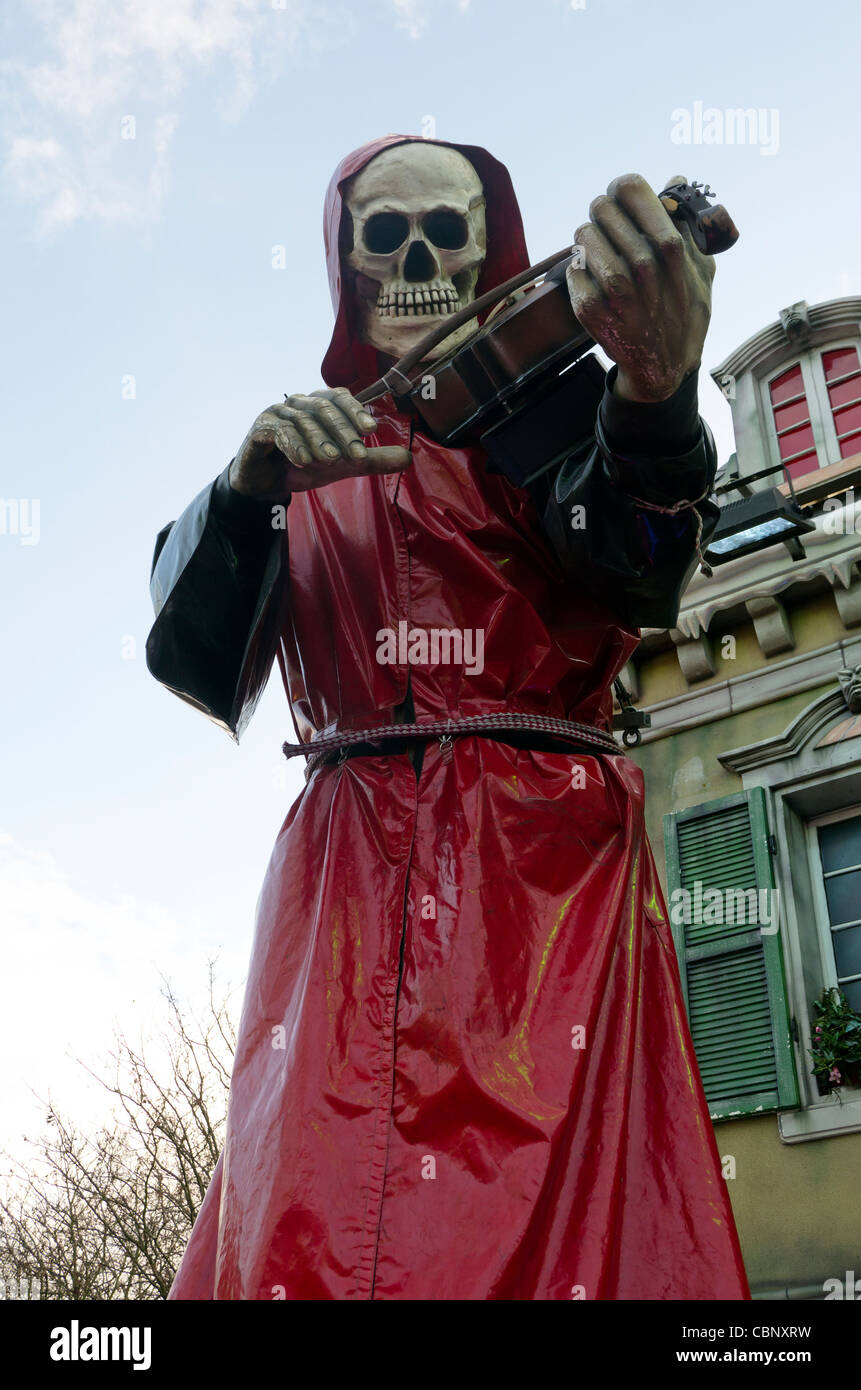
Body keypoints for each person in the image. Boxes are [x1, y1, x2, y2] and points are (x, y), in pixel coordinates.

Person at [147, 134, 748, 1300]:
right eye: (384, 234)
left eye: (446, 232)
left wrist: (659, 393)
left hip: (541, 880)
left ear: (493, 257)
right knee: (318, 1199)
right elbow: (189, 653)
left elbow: (641, 561)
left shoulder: (562, 416)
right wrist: (243, 491)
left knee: (565, 1217)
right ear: (345, 267)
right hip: (348, 888)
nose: (417, 260)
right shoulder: (295, 465)